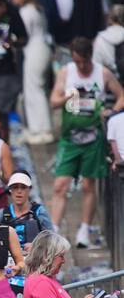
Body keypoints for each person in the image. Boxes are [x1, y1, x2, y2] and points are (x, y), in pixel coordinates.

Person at [49, 36, 124, 248]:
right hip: (70, 136)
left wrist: (112, 111)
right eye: (78, 61)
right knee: (60, 184)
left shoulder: (103, 72)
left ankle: (84, 230)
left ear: (90, 56)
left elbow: (121, 95)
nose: (82, 66)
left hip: (93, 136)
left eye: (85, 61)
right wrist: (68, 96)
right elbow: (53, 101)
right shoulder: (66, 72)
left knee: (89, 184)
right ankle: (54, 231)